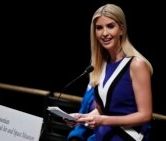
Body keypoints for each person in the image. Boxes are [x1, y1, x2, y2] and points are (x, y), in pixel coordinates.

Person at [66, 3, 153, 141]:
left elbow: (146, 115)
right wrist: (82, 118)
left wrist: (103, 120)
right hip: (102, 136)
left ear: (121, 30)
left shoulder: (137, 64)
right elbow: (102, 110)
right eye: (99, 28)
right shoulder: (100, 64)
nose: (104, 33)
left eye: (110, 26)